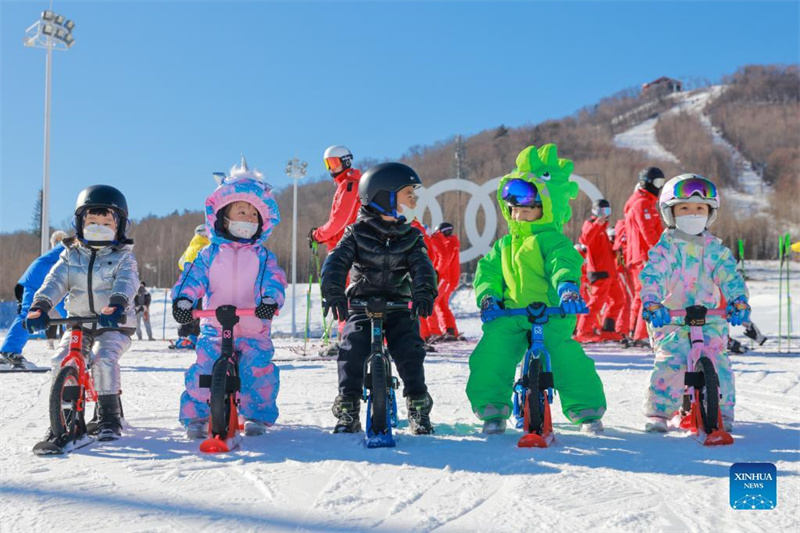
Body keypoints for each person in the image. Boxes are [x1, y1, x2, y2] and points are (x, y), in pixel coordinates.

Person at [467, 144, 606, 435]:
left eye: (527, 208)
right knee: (492, 354)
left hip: (551, 314)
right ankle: (492, 408)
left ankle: (586, 409)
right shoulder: (504, 245)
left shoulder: (553, 241)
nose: (518, 214)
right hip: (511, 314)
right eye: (513, 208)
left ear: (546, 208)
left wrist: (567, 289)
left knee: (567, 359)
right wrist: (489, 296)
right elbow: (488, 272)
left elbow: (563, 264)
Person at [172, 159, 286, 438]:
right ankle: (197, 416)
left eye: (253, 215)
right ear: (224, 217)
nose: (246, 219)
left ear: (261, 222)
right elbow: (192, 277)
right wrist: (185, 301)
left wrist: (269, 301)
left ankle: (256, 414)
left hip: (253, 327)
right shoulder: (210, 254)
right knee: (204, 369)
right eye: (241, 212)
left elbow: (273, 280)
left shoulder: (262, 256)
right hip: (214, 326)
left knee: (257, 370)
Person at [321, 162, 438, 435]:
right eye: (408, 192)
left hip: (398, 304)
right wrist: (335, 291)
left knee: (410, 349)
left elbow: (423, 268)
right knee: (351, 348)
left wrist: (423, 292)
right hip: (362, 303)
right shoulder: (355, 233)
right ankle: (348, 405)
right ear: (384, 195)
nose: (414, 198)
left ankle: (417, 403)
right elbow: (336, 263)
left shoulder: (410, 236)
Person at [24, 185, 139, 448]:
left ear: (119, 225)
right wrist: (40, 306)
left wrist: (117, 304)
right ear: (80, 223)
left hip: (113, 325)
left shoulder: (123, 257)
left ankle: (109, 417)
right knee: (60, 358)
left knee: (102, 357)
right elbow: (54, 282)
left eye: (106, 222)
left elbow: (127, 283)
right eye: (92, 222)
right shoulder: (70, 255)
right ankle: (62, 417)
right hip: (77, 324)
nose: (98, 226)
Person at [639, 174, 749, 433]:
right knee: (672, 361)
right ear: (670, 213)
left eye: (699, 208)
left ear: (710, 213)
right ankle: (660, 412)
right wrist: (653, 302)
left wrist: (738, 300)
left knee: (718, 360)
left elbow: (730, 275)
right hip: (673, 320)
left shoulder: (715, 250)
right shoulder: (665, 250)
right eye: (684, 208)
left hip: (710, 318)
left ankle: (721, 411)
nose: (692, 213)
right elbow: (653, 275)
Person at [309, 145, 362, 355]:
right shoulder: (345, 185)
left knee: (344, 293)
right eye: (328, 164)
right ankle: (347, 337)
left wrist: (318, 235)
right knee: (346, 293)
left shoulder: (350, 185)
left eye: (335, 163)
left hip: (348, 249)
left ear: (347, 162)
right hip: (346, 245)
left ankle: (348, 339)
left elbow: (339, 221)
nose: (331, 168)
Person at [1, 230, 68, 368]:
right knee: (71, 313)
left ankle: (9, 352)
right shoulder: (77, 244)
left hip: (40, 278)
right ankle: (9, 353)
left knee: (70, 313)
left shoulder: (72, 245)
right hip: (45, 280)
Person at [623, 167, 665, 344]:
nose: (659, 187)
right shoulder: (642, 204)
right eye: (657, 183)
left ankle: (635, 331)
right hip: (644, 256)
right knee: (647, 293)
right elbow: (649, 232)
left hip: (641, 255)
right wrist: (661, 252)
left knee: (641, 295)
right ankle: (640, 334)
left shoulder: (644, 202)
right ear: (647, 182)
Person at [575, 199, 625, 342]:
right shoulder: (590, 224)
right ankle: (582, 331)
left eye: (607, 211)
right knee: (596, 303)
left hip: (610, 272)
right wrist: (597, 224)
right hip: (599, 271)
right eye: (602, 211)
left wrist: (616, 252)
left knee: (618, 300)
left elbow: (605, 251)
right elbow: (585, 239)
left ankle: (608, 330)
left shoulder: (603, 230)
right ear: (595, 211)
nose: (605, 215)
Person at [172, 224, 210, 350]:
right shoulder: (206, 247)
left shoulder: (191, 246)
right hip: (200, 285)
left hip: (187, 284)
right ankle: (191, 338)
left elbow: (181, 262)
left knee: (186, 310)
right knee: (198, 312)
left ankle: (183, 337)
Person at [430, 222, 463, 341]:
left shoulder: (447, 244)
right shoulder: (452, 243)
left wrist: (436, 273)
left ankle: (434, 331)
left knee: (432, 303)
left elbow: (443, 260)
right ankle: (450, 329)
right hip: (449, 278)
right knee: (441, 304)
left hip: (444, 278)